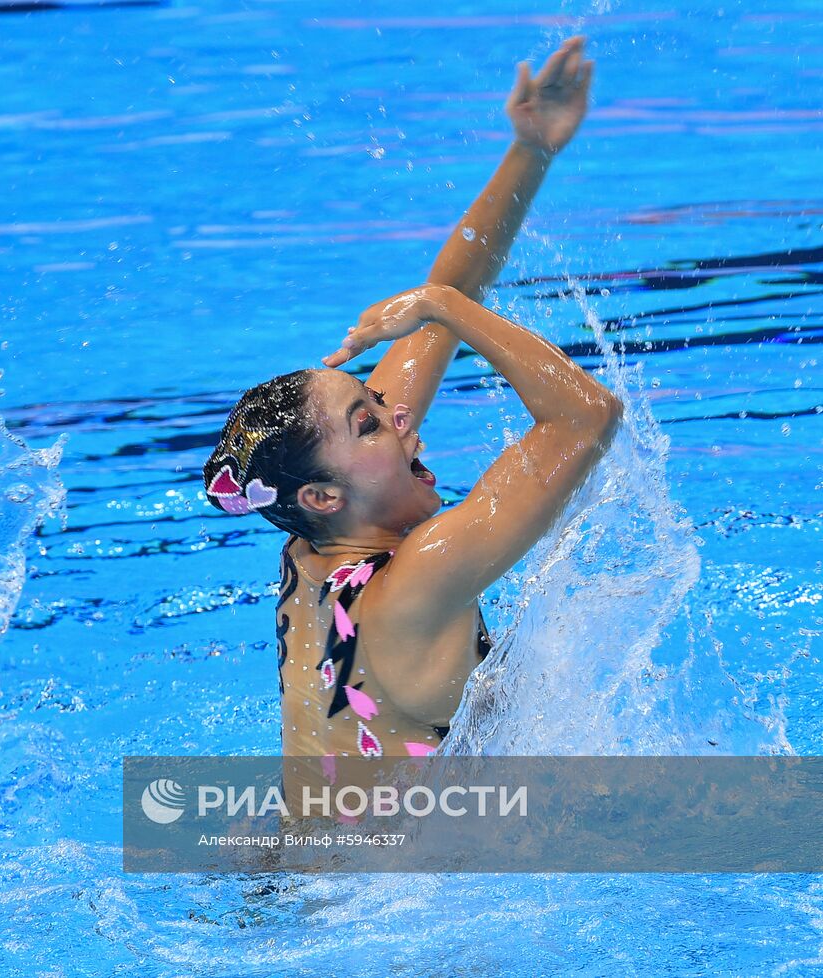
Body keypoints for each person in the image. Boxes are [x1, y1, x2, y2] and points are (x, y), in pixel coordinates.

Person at [201, 37, 621, 761]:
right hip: (381, 876)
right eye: (370, 421)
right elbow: (589, 417)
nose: (399, 413)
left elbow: (448, 295)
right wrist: (449, 310)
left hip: (295, 863)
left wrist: (531, 150)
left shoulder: (313, 540)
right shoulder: (425, 566)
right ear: (327, 494)